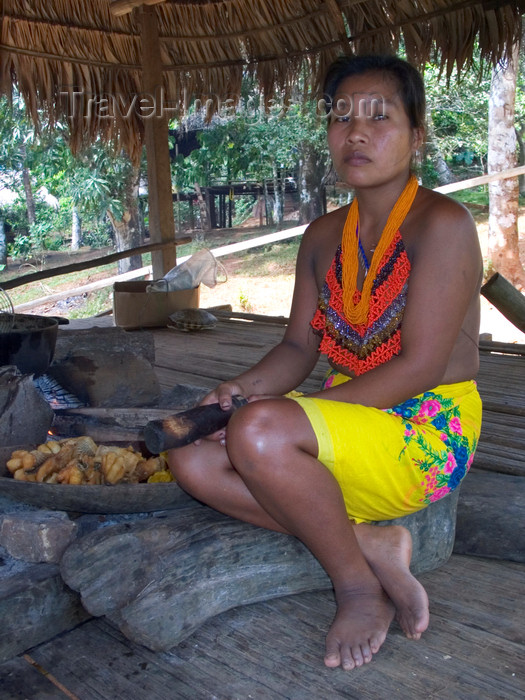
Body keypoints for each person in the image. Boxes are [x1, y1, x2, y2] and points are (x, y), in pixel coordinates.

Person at [168, 54, 483, 671]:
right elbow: (296, 349)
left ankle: (358, 585)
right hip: (347, 422)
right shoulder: (321, 237)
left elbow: (421, 367)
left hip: (424, 429)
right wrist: (238, 389)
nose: (356, 132)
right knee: (187, 452)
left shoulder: (442, 224)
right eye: (341, 117)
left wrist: (281, 414)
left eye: (379, 116)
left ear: (416, 135)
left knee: (259, 432)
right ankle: (372, 540)